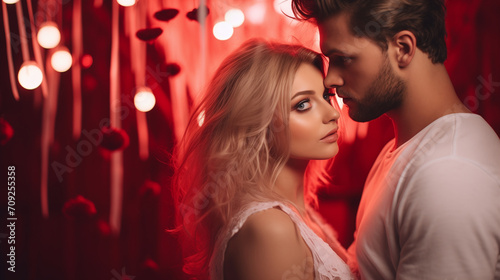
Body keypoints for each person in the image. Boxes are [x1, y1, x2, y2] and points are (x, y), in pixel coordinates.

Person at [291, 0, 500, 279]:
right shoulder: (404, 149)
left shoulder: (449, 172)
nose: (330, 79)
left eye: (344, 59)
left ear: (402, 48)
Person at [171, 39, 356, 280]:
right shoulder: (269, 229)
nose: (332, 113)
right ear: (257, 123)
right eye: (302, 104)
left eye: (325, 95)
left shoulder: (301, 214)